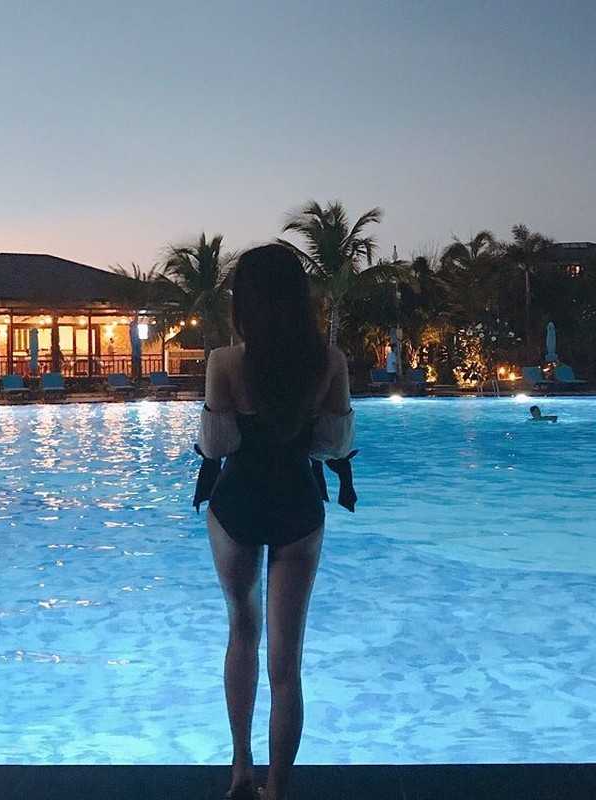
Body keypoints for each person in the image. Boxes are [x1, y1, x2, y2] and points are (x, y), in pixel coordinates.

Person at [196, 244, 354, 800]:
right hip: (296, 509)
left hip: (237, 508)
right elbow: (332, 445)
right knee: (287, 664)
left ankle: (241, 766)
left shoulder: (223, 362)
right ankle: (276, 791)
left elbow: (218, 447)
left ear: (245, 302)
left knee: (242, 632)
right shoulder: (329, 363)